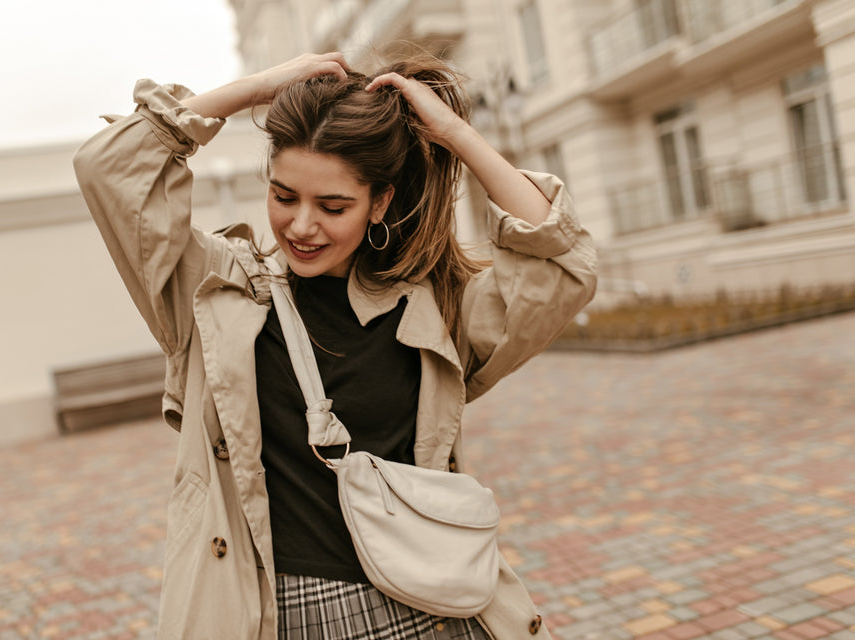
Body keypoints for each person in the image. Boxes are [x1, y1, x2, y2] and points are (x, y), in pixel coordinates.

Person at [74, 51, 596, 640]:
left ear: (380, 203)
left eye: (332, 206)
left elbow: (558, 268)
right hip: (279, 613)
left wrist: (453, 133)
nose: (300, 226)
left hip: (427, 602)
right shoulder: (217, 295)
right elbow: (109, 167)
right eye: (283, 195)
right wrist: (260, 89)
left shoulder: (426, 310)